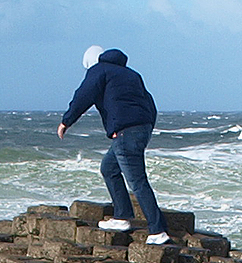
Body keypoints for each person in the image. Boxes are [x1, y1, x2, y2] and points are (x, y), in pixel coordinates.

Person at [58, 45, 169, 246]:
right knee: (109, 168)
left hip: (126, 132)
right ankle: (122, 216)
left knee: (137, 181)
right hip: (140, 129)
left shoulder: (99, 71)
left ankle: (158, 230)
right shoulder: (131, 74)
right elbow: (149, 103)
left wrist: (67, 121)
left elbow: (84, 95)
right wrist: (144, 127)